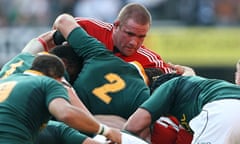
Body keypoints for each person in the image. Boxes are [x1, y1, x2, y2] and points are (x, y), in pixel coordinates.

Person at [0, 54, 121, 144]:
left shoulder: (7, 80)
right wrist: (106, 131)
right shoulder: (48, 83)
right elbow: (66, 114)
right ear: (59, 78)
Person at [54, 2, 195, 76]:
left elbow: (179, 81)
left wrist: (189, 72)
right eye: (129, 34)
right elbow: (59, 25)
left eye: (141, 37)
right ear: (116, 25)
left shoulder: (149, 60)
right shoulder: (90, 29)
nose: (134, 42)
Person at [123, 73, 240, 143]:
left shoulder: (172, 84)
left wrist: (116, 137)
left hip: (225, 111)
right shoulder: (198, 95)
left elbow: (133, 126)